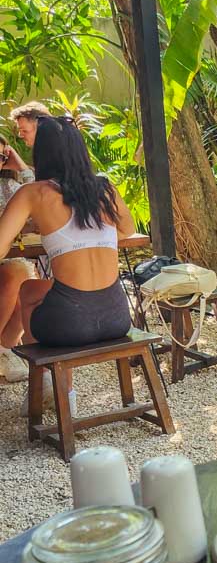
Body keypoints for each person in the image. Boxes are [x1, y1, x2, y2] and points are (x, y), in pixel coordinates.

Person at [0, 116, 136, 412]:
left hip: (70, 323)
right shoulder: (105, 188)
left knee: (28, 290)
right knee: (39, 289)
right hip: (117, 317)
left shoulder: (34, 193)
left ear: (42, 152)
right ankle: (59, 392)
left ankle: (51, 385)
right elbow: (128, 230)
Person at [0, 132, 36, 382]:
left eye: (2, 157)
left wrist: (21, 167)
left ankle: (5, 348)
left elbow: (40, 196)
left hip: (7, 256)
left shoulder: (8, 187)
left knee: (28, 284)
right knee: (18, 274)